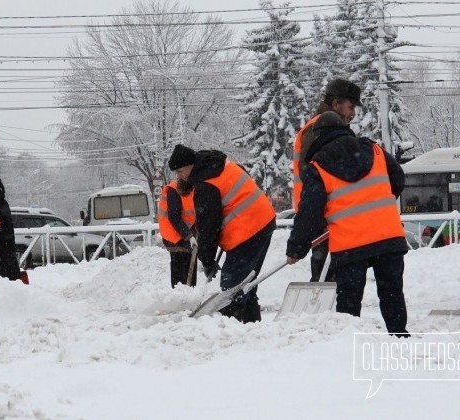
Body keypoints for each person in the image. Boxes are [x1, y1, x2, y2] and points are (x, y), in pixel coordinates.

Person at [286, 111, 409, 336]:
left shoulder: (318, 168)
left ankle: (349, 346)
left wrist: (297, 248)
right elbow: (398, 178)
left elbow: (309, 212)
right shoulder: (374, 150)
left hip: (350, 246)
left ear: (319, 137)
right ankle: (400, 337)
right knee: (392, 293)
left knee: (349, 302)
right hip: (388, 237)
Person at [168, 144, 276, 323]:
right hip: (263, 221)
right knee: (246, 285)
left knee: (231, 288)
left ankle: (233, 326)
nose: (179, 176)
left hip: (249, 229)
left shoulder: (206, 184)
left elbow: (209, 227)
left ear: (190, 165)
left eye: (180, 171)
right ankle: (251, 326)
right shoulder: (218, 165)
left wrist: (208, 260)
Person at [292, 79, 362, 283]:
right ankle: (326, 313)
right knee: (327, 275)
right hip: (322, 214)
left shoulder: (326, 128)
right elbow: (314, 175)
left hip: (324, 212)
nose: (353, 113)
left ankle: (330, 310)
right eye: (351, 107)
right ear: (335, 104)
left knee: (331, 272)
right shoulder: (321, 130)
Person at [158, 160, 197, 287]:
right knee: (181, 271)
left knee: (190, 268)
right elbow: (174, 217)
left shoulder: (192, 189)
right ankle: (179, 298)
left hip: (185, 234)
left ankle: (190, 296)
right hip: (174, 236)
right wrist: (189, 236)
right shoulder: (173, 190)